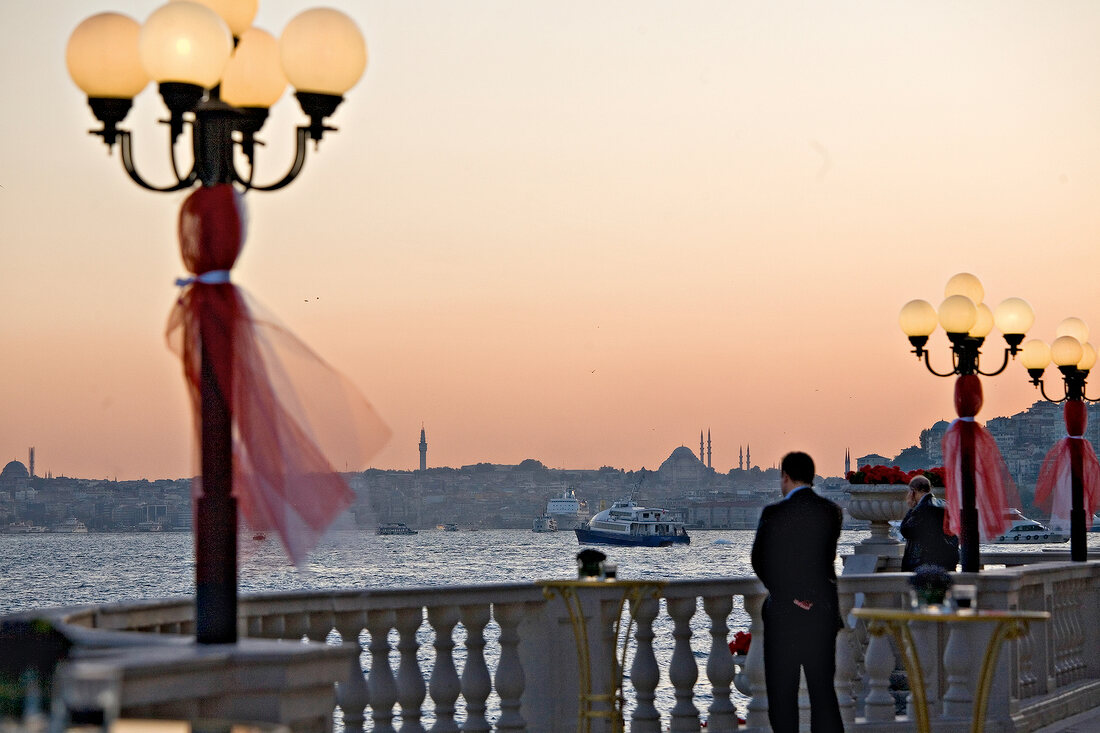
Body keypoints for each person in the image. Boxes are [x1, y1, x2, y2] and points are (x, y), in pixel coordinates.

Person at [750, 451, 844, 733]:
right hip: (822, 613)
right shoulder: (831, 511)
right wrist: (811, 596)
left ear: (786, 476)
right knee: (823, 691)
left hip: (784, 615)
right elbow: (822, 560)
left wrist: (791, 594)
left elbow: (760, 561)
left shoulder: (774, 513)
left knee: (782, 693)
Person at [900, 474, 959, 572]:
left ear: (913, 491)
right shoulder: (944, 504)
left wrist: (911, 508)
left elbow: (906, 530)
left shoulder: (921, 509)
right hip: (946, 561)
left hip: (923, 563)